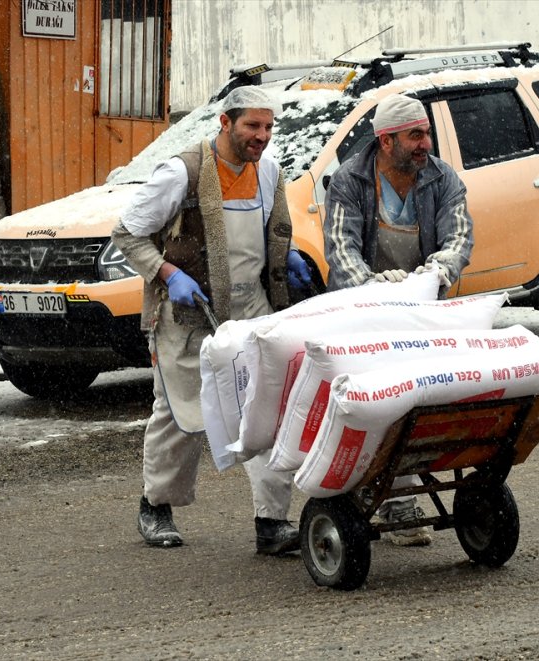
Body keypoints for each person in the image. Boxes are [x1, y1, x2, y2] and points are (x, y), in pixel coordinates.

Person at [111, 86, 313, 554]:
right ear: (225, 123)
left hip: (253, 311)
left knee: (267, 409)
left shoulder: (268, 175)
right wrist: (169, 272)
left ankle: (272, 522)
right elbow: (128, 233)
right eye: (251, 126)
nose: (261, 136)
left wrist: (291, 253)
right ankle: (156, 504)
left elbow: (268, 234)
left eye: (267, 127)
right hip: (189, 314)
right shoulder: (183, 172)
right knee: (182, 414)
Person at [323, 93, 474, 546]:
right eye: (415, 135)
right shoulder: (349, 180)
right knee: (377, 404)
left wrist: (436, 274)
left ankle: (402, 498)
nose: (426, 142)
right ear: (386, 141)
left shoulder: (442, 178)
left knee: (416, 404)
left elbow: (460, 236)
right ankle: (372, 496)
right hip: (363, 312)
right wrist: (374, 290)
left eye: (426, 132)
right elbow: (340, 248)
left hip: (423, 308)